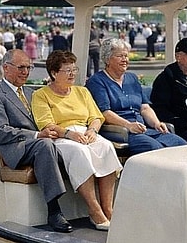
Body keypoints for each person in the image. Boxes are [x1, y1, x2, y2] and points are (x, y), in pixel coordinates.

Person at [0, 49, 74, 233]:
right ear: (6, 68)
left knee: (76, 145)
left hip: (42, 144)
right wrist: (37, 135)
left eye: (29, 67)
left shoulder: (34, 93)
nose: (26, 72)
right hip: (16, 149)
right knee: (45, 145)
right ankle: (54, 210)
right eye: (21, 67)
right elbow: (0, 132)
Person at [31, 50, 121, 231]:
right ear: (54, 73)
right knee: (79, 152)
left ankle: (108, 209)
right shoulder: (41, 95)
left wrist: (93, 130)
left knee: (106, 147)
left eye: (74, 69)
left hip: (86, 132)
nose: (73, 74)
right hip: (61, 136)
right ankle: (95, 211)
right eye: (67, 70)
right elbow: (46, 124)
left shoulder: (82, 91)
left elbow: (96, 116)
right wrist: (69, 134)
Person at [86, 38, 187, 156]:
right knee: (155, 149)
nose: (125, 60)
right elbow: (105, 113)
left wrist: (156, 123)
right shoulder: (97, 81)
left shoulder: (132, 78)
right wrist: (128, 125)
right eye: (120, 56)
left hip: (144, 129)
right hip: (121, 131)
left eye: (126, 56)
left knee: (182, 145)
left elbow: (144, 108)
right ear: (107, 59)